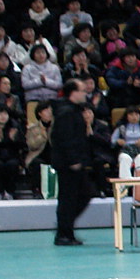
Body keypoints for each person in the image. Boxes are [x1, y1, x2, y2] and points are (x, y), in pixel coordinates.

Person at [48, 78, 107, 246]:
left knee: (83, 194)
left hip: (74, 160)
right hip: (68, 163)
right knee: (69, 198)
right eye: (82, 91)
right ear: (73, 93)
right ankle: (63, 232)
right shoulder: (66, 112)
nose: (85, 93)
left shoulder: (73, 110)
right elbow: (65, 139)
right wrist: (73, 159)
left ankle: (65, 228)